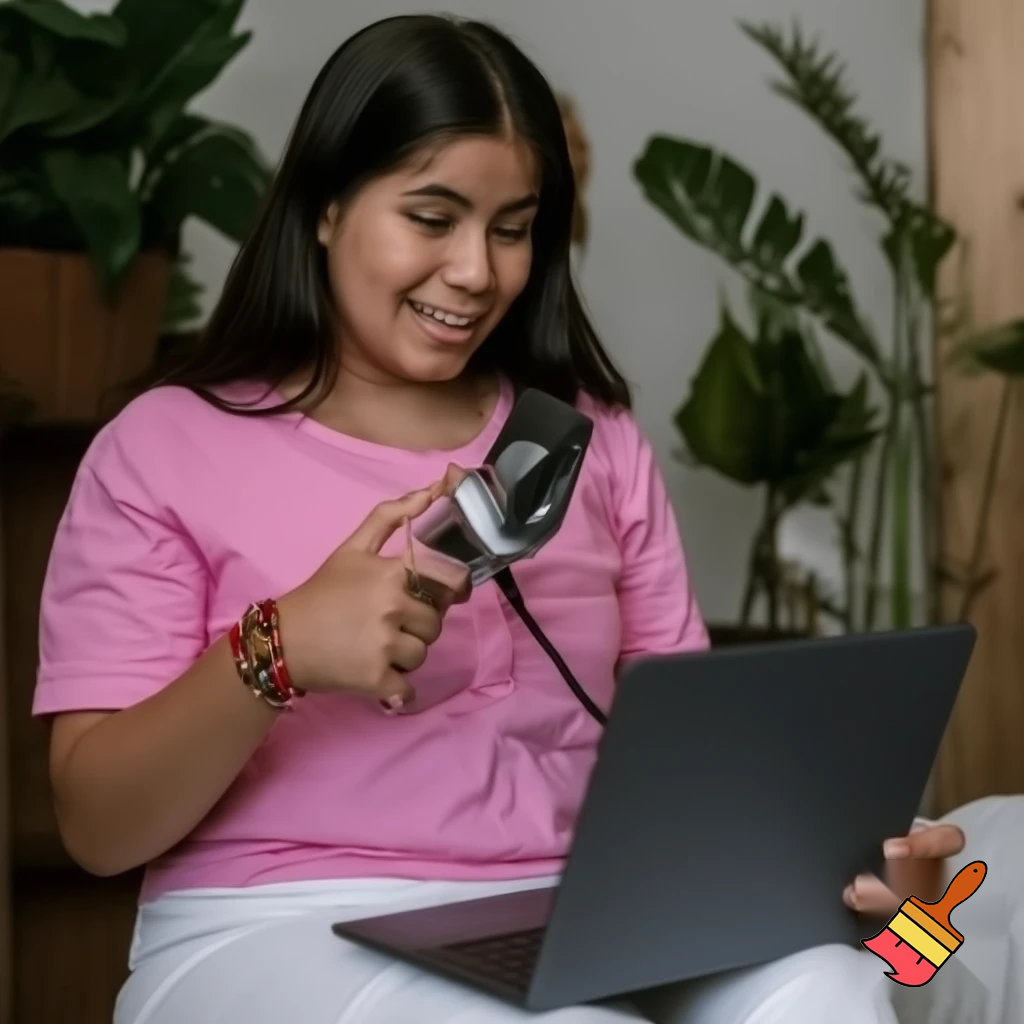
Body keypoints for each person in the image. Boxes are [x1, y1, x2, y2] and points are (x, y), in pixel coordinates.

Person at [32, 14, 975, 1024]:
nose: (477, 271)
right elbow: (98, 828)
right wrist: (278, 649)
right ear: (324, 205)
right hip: (275, 921)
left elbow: (690, 779)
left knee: (834, 987)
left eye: (512, 228)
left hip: (580, 913)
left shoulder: (596, 440)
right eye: (431, 218)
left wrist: (864, 890)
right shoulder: (163, 446)